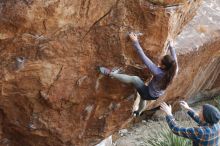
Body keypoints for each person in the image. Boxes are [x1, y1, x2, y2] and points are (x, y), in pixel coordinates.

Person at [97, 32, 178, 116]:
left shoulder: (158, 72)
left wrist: (135, 42)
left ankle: (110, 73)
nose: (160, 59)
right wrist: (171, 47)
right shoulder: (174, 69)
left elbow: (144, 58)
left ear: (164, 66)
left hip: (148, 93)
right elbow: (174, 61)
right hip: (155, 95)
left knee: (135, 79)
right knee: (143, 98)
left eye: (161, 60)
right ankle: (139, 112)